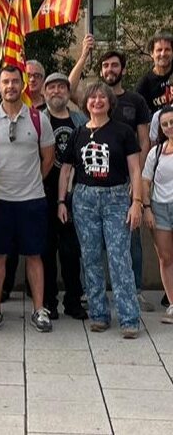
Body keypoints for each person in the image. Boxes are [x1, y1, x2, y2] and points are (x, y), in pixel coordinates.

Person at [70, 42, 153, 312]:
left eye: (115, 65)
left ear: (123, 70)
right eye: (105, 65)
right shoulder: (88, 110)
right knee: (91, 253)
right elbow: (70, 88)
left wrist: (137, 190)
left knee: (126, 248)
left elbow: (143, 142)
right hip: (90, 191)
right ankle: (96, 303)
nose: (110, 69)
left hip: (124, 185)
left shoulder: (135, 101)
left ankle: (132, 297)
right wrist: (84, 54)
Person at [58, 82, 142, 339]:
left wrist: (137, 202)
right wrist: (61, 201)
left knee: (119, 259)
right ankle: (98, 314)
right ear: (85, 103)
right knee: (91, 258)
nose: (97, 101)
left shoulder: (123, 131)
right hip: (84, 200)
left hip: (116, 198)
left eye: (102, 97)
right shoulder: (78, 133)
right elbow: (66, 169)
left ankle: (129, 317)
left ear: (109, 102)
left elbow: (135, 169)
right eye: (92, 98)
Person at [0, 65, 55, 333]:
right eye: (5, 82)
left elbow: (48, 158)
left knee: (34, 255)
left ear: (23, 85)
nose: (10, 86)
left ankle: (39, 309)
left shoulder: (39, 119)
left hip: (32, 200)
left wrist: (31, 182)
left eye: (14, 81)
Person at [41, 73, 87, 320]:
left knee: (71, 251)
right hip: (44, 192)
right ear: (44, 93)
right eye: (52, 87)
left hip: (74, 193)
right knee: (46, 249)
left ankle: (73, 300)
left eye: (61, 87)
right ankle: (48, 300)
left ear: (68, 93)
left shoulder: (80, 120)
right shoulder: (37, 119)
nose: (56, 91)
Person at [142, 105, 173, 323]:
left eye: (172, 122)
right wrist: (146, 208)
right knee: (165, 258)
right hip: (160, 208)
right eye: (165, 124)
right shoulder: (157, 152)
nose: (169, 127)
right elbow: (145, 181)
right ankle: (172, 303)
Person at [136, 30, 173, 114]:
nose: (163, 54)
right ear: (152, 53)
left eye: (167, 49)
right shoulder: (144, 85)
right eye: (159, 50)